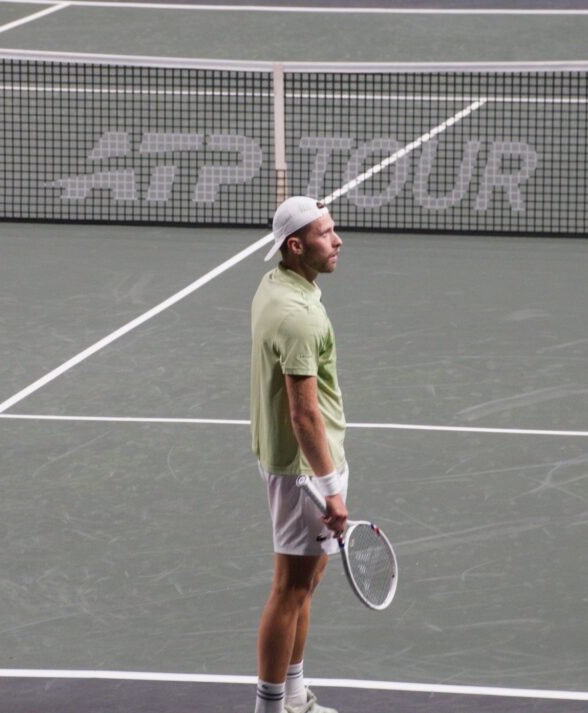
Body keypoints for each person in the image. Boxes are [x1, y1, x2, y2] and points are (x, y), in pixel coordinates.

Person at [250, 196, 348, 713]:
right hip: (304, 470)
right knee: (290, 590)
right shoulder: (299, 317)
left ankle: (292, 697)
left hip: (298, 463)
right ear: (294, 245)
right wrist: (331, 489)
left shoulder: (276, 286)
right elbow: (305, 414)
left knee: (304, 584)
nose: (337, 240)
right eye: (324, 234)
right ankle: (271, 708)